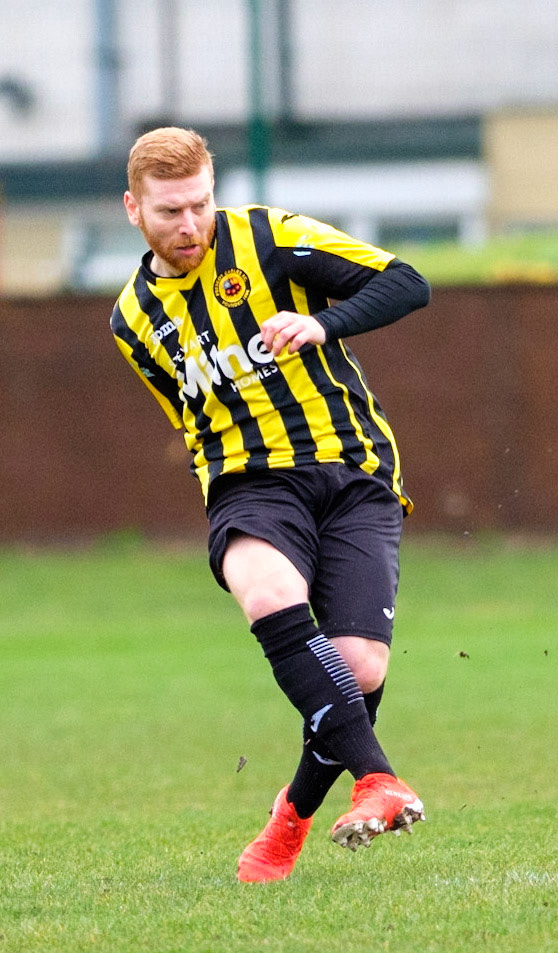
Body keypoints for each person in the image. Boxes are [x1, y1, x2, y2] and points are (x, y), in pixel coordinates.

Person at [111, 126, 432, 880]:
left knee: (357, 668)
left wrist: (322, 322)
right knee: (267, 594)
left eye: (200, 204)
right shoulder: (133, 320)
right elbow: (187, 417)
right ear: (133, 208)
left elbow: (406, 282)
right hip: (248, 481)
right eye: (169, 212)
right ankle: (379, 778)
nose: (189, 225)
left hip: (350, 464)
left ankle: (289, 819)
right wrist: (220, 495)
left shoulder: (270, 236)